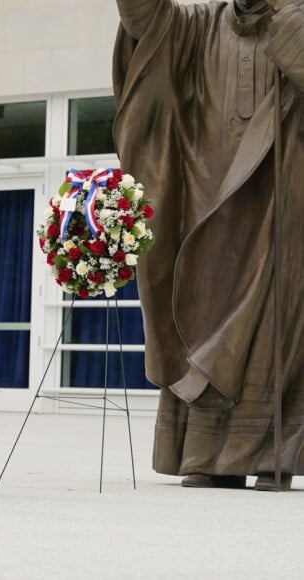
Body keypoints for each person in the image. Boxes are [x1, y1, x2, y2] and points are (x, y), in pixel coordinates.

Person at [112, 0, 304, 490]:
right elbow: (145, 21)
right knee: (200, 315)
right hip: (206, 202)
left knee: (271, 328)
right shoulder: (200, 25)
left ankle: (269, 455)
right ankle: (204, 454)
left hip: (278, 205)